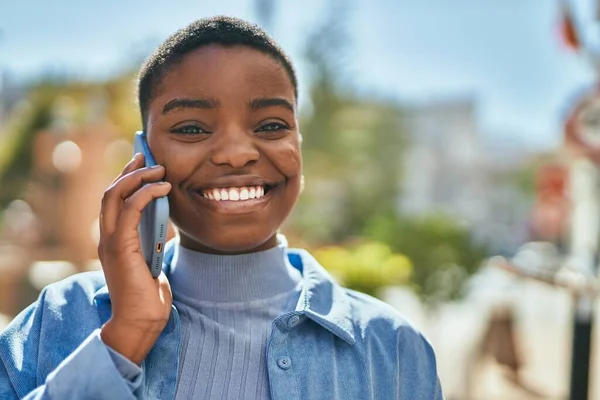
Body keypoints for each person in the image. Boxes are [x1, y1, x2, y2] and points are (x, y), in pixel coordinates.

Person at [0, 16, 443, 399]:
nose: (236, 153)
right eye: (192, 128)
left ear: (298, 147)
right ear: (144, 158)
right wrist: (122, 341)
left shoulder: (393, 348)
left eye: (271, 125)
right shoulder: (57, 320)